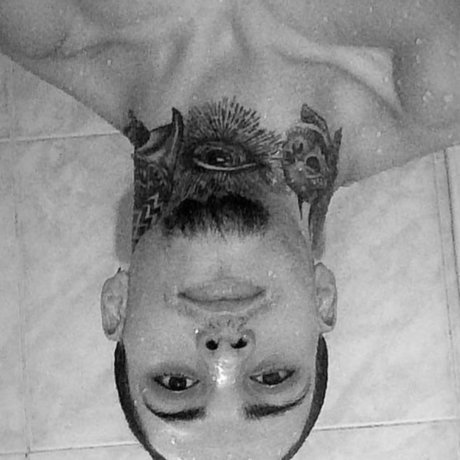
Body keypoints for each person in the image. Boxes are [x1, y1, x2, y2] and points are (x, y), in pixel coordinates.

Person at [1, 1, 459, 459]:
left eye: (175, 383)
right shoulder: (434, 74)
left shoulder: (47, 22)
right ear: (323, 300)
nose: (224, 355)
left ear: (117, 307)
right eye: (273, 378)